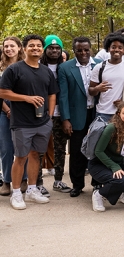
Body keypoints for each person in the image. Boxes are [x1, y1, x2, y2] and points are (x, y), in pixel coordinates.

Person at [0, 34, 59, 209]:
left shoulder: (46, 70)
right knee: (20, 157)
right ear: (24, 49)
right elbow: (3, 93)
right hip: (21, 123)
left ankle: (32, 190)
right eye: (31, 46)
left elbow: (52, 93)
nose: (35, 48)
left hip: (42, 123)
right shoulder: (14, 69)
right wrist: (26, 98)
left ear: (42, 49)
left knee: (35, 155)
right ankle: (16, 193)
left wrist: (49, 115)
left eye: (39, 46)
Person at [57, 36, 101, 197]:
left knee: (97, 149)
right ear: (74, 50)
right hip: (76, 115)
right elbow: (63, 96)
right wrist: (65, 119)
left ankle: (97, 183)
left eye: (86, 50)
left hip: (97, 113)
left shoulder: (99, 64)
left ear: (91, 49)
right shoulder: (65, 68)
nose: (83, 53)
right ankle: (77, 184)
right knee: (76, 151)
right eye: (79, 50)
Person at [89, 101, 124, 212]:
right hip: (100, 163)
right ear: (118, 114)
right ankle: (99, 194)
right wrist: (114, 167)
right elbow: (98, 151)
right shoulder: (112, 128)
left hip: (120, 162)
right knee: (121, 181)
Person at [39, 34, 65, 195]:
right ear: (45, 50)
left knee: (60, 149)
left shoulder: (65, 67)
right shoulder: (38, 67)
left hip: (60, 114)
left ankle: (58, 180)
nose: (54, 50)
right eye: (51, 48)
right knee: (39, 148)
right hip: (41, 114)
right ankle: (37, 183)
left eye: (57, 48)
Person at [0, 36, 26, 196]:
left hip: (23, 109)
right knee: (6, 146)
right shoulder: (0, 68)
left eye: (12, 46)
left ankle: (24, 178)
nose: (9, 49)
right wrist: (7, 109)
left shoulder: (25, 66)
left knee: (23, 145)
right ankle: (7, 181)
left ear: (19, 47)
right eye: (6, 46)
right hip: (3, 109)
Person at [89, 32, 124, 122]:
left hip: (122, 112)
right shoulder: (100, 67)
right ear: (108, 49)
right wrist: (97, 88)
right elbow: (91, 90)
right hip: (102, 112)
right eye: (113, 47)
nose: (116, 50)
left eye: (120, 47)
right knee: (102, 136)